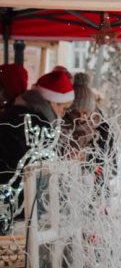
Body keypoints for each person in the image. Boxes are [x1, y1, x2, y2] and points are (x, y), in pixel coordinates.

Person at [0, 70, 74, 211]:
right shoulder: (37, 124)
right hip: (15, 206)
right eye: (63, 108)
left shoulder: (16, 114)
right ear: (53, 102)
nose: (63, 114)